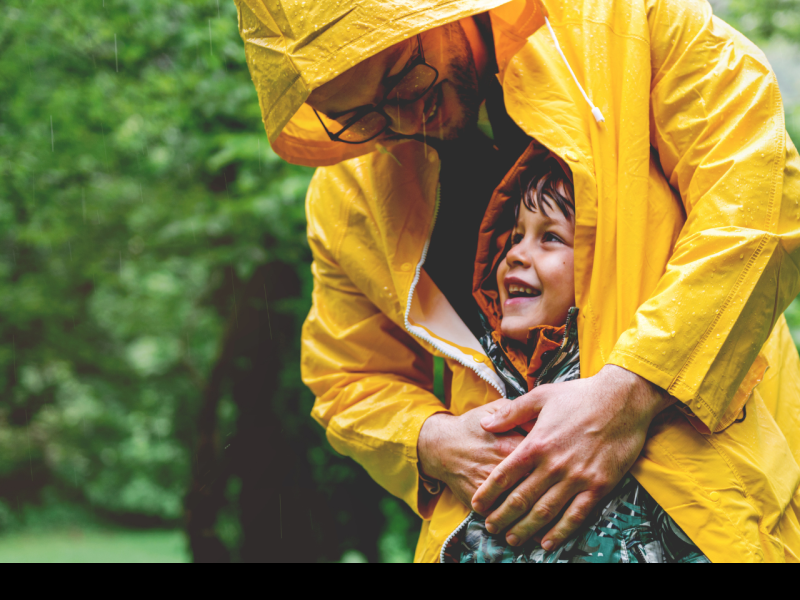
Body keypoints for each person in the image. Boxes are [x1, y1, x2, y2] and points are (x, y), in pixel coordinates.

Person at [235, 0, 800, 562]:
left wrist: (631, 391)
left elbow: (758, 200)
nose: (404, 121)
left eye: (403, 78)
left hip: (709, 517)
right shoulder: (350, 193)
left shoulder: (625, 21)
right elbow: (349, 376)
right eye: (360, 117)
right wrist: (430, 440)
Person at [443, 152, 709, 562]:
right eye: (514, 236)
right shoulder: (485, 373)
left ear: (600, 265)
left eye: (549, 237)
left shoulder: (640, 381)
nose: (515, 254)